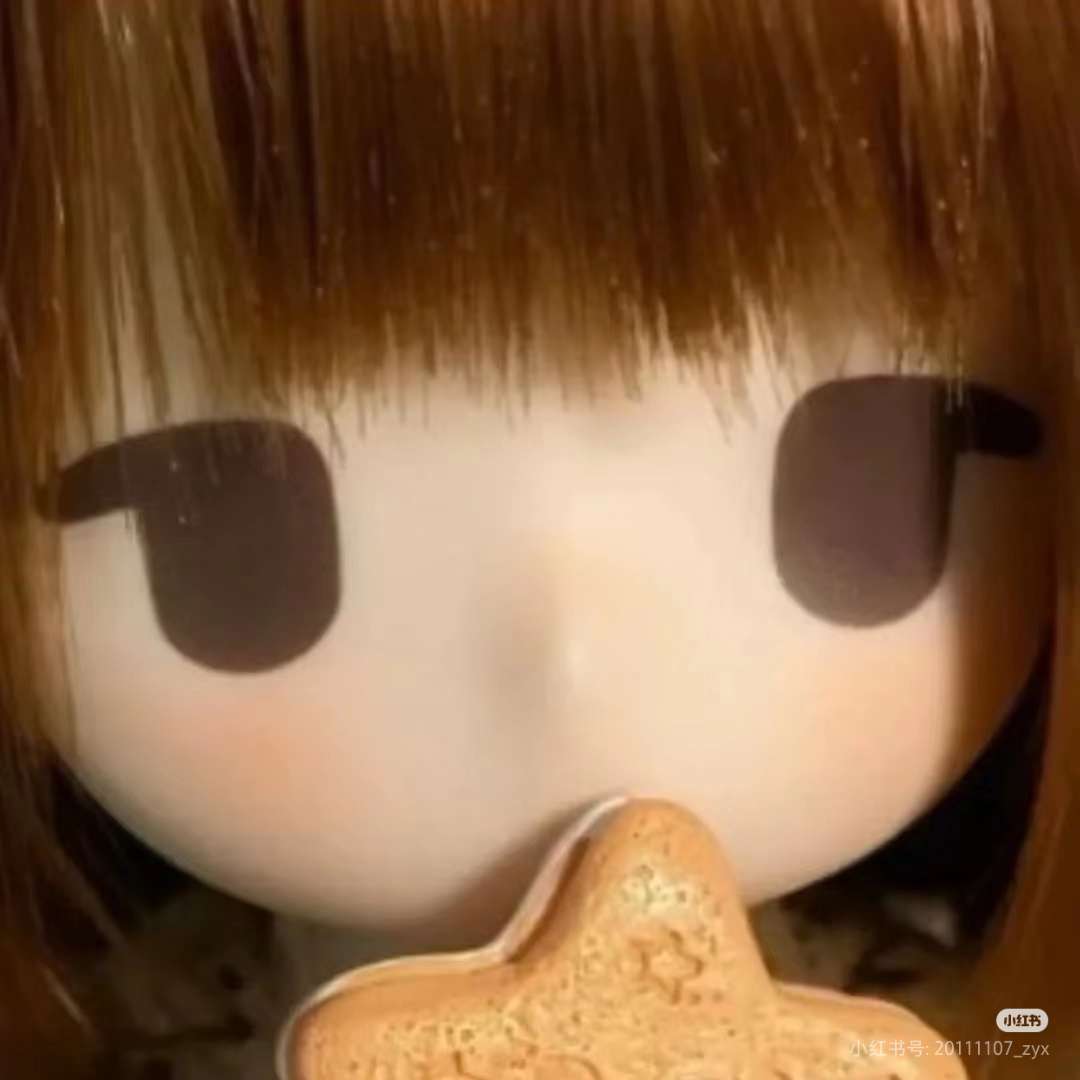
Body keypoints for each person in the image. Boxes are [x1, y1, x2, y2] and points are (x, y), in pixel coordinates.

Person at [1, 2, 1077, 1076]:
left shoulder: (963, 1028)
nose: (574, 654)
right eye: (233, 538)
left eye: (855, 479)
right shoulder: (138, 1036)